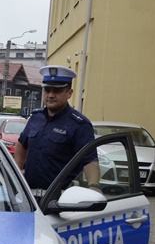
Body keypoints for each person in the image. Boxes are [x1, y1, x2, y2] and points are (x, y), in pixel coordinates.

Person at [15, 65, 100, 197]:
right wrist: (18, 169)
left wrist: (94, 188)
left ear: (69, 93)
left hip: (59, 200)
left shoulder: (79, 124)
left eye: (57, 91)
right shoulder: (36, 118)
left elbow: (90, 160)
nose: (51, 95)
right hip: (28, 197)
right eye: (47, 90)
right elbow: (22, 143)